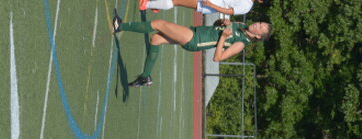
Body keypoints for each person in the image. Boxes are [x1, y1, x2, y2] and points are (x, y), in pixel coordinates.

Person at [112, 10, 271, 87]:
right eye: (260, 23)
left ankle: (120, 25)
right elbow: (215, 27)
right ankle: (145, 77)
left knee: (159, 24)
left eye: (260, 27)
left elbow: (217, 58)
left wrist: (223, 37)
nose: (257, 24)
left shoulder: (241, 43)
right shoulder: (241, 25)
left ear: (258, 37)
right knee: (155, 39)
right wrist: (222, 23)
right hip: (196, 32)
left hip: (195, 40)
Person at [139, 0, 267, 17]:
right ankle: (156, 5)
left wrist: (210, 5)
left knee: (177, 1)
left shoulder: (246, 6)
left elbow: (228, 11)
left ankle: (146, 5)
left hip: (211, 3)